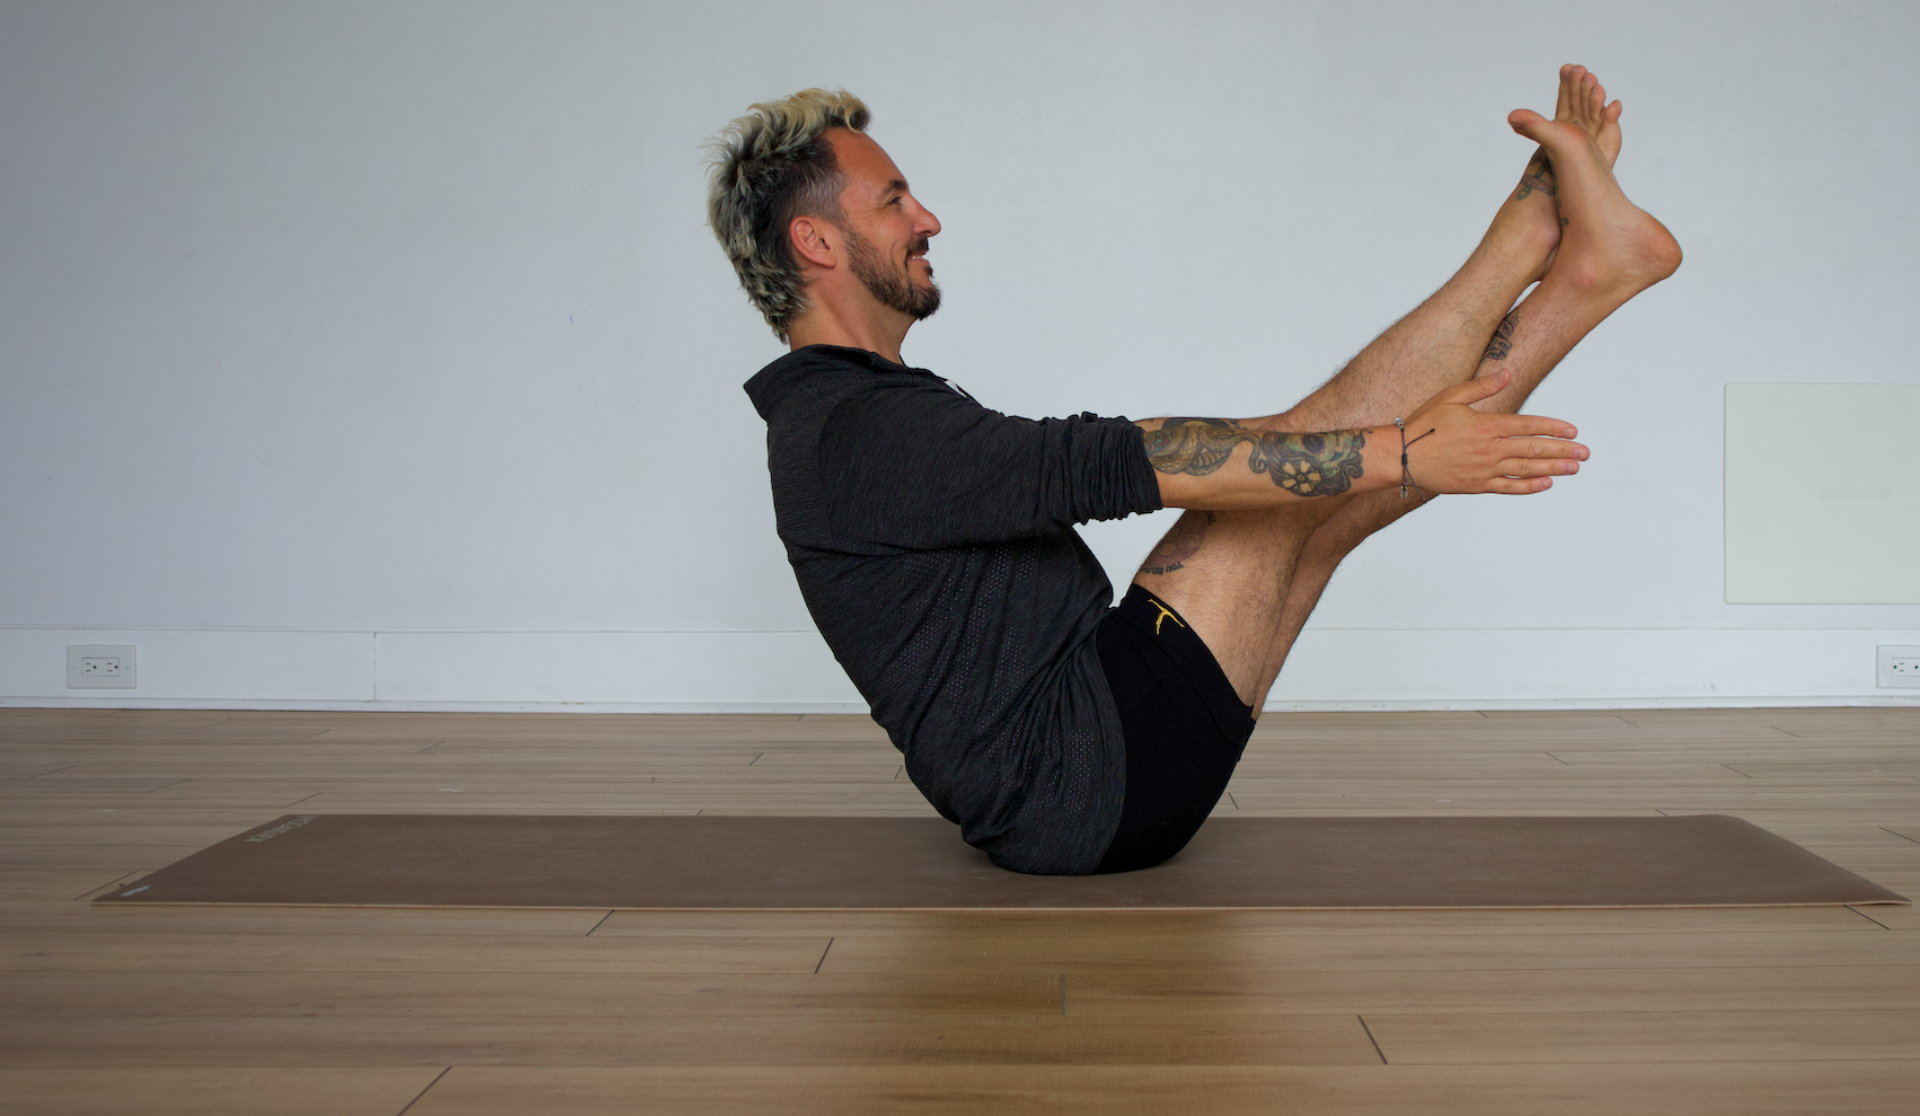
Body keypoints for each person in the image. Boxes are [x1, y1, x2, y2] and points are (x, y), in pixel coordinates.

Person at [711, 69, 1679, 875]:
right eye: (892, 202)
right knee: (1295, 466)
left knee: (1321, 502)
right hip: (1083, 775)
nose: (927, 217)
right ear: (817, 242)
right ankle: (1544, 236)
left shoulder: (849, 413)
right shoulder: (853, 432)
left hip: (1089, 772)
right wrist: (1403, 452)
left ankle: (1582, 271)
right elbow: (1118, 461)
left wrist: (1390, 458)